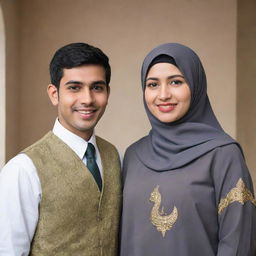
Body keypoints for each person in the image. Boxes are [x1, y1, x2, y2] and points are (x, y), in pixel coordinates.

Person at [120, 43, 256, 256]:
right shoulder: (133, 156)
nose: (163, 95)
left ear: (196, 85)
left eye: (176, 82)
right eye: (153, 84)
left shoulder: (223, 154)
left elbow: (238, 242)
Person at [0, 42, 121, 255]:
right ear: (54, 94)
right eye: (74, 87)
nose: (87, 99)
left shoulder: (114, 156)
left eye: (97, 87)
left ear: (108, 93)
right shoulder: (22, 170)